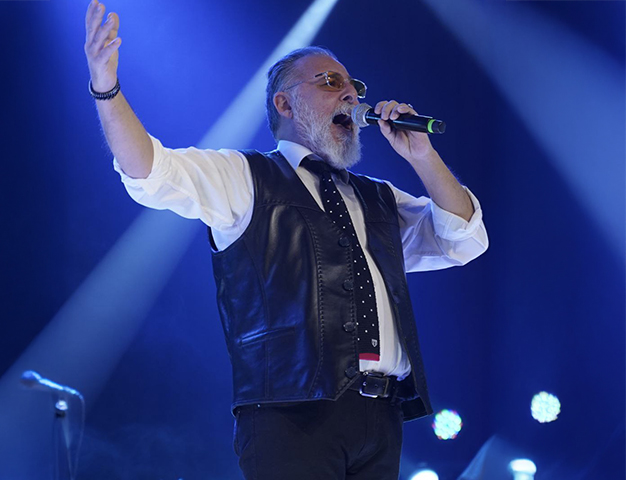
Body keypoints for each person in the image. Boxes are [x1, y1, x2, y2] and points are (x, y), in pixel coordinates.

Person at [84, 1, 488, 479]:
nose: (350, 95)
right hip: (291, 416)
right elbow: (150, 170)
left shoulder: (378, 198)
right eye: (330, 82)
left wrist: (423, 156)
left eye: (355, 87)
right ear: (284, 103)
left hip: (381, 416)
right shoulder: (245, 177)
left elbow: (463, 238)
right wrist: (106, 87)